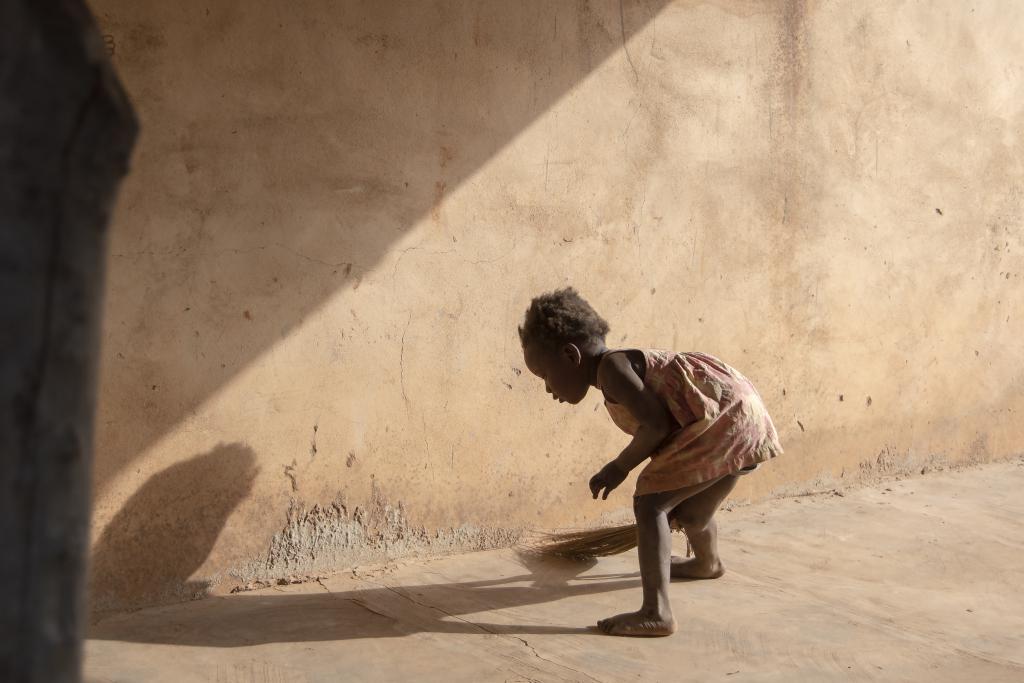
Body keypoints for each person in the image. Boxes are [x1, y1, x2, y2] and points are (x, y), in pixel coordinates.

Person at [519, 287, 782, 636]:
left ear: (571, 356)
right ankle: (707, 563)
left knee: (650, 506)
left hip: (722, 423)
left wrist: (618, 468)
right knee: (690, 514)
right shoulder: (616, 368)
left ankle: (656, 612)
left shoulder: (612, 369)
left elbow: (656, 425)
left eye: (545, 377)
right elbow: (671, 423)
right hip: (740, 419)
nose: (549, 389)